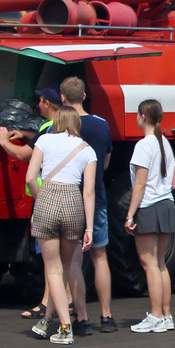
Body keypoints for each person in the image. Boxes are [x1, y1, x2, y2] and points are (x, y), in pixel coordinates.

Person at [25, 106, 97, 345]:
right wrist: (89, 227)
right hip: (74, 203)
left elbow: (29, 177)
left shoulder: (44, 140)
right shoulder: (88, 150)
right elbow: (89, 192)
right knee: (65, 266)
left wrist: (41, 197)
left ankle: (65, 328)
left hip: (48, 198)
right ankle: (47, 320)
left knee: (53, 269)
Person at [0, 85, 65, 321]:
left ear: (47, 104)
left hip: (45, 198)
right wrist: (26, 135)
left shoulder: (47, 131)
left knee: (48, 257)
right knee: (65, 258)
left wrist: (4, 140)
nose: (38, 104)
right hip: (67, 198)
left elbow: (23, 156)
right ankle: (63, 301)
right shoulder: (59, 127)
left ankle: (48, 303)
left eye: (40, 100)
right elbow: (41, 137)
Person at [59, 77, 118, 334]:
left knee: (73, 261)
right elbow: (105, 163)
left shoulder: (60, 128)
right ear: (84, 96)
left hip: (70, 199)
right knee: (100, 256)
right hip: (98, 197)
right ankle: (106, 316)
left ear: (62, 98)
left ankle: (81, 318)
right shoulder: (102, 125)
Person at [125, 100, 175, 333]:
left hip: (149, 206)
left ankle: (156, 315)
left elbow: (140, 183)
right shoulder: (164, 142)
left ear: (142, 117)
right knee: (160, 264)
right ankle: (166, 315)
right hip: (166, 204)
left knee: (149, 264)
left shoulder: (143, 145)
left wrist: (130, 215)